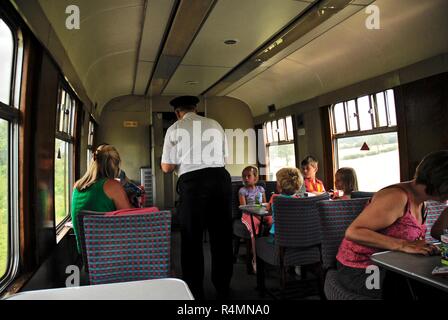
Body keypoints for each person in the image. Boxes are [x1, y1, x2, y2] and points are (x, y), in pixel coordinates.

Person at [336, 150, 448, 299]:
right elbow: (353, 231)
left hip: (392, 267)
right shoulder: (397, 197)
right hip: (361, 269)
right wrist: (403, 244)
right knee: (415, 291)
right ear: (441, 183)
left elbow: (436, 232)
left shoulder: (422, 201)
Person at [161, 95, 233, 300]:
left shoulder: (174, 129)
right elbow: (224, 158)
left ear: (177, 112)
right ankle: (223, 287)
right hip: (220, 179)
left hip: (193, 183)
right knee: (222, 236)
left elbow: (166, 167)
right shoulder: (215, 124)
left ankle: (195, 292)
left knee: (191, 239)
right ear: (195, 108)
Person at [71, 145, 132, 253]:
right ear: (115, 165)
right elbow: (131, 222)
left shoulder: (77, 186)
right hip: (111, 256)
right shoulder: (113, 186)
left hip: (87, 257)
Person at [239, 166, 273, 273]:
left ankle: (270, 253)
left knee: (273, 221)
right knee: (255, 228)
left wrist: (263, 213)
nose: (246, 178)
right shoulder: (242, 191)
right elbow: (244, 207)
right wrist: (257, 215)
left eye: (249, 176)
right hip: (248, 214)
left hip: (260, 212)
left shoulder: (260, 189)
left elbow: (264, 204)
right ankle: (255, 258)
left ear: (255, 178)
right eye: (244, 176)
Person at [267, 167, 306, 238]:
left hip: (277, 235)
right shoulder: (299, 200)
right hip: (295, 235)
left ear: (280, 186)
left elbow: (268, 210)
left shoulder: (275, 198)